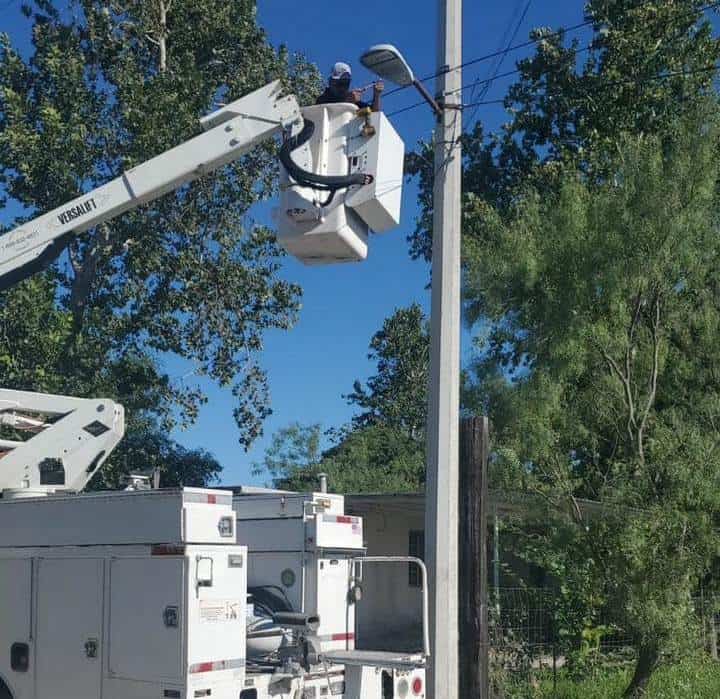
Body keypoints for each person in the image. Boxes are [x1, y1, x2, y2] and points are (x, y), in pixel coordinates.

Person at [316, 62, 384, 112]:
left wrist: (376, 95)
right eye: (340, 83)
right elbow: (330, 116)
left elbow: (374, 113)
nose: (343, 87)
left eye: (346, 83)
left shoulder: (351, 99)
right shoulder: (322, 100)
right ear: (331, 82)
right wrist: (348, 102)